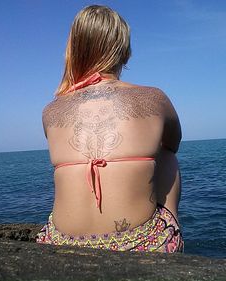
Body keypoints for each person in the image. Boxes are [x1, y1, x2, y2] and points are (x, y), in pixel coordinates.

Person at [36, 5, 183, 253]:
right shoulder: (154, 98)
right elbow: (174, 142)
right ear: (124, 52)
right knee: (165, 154)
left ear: (74, 50)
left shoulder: (51, 110)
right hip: (138, 242)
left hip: (59, 242)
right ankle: (171, 229)